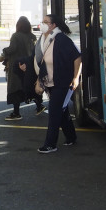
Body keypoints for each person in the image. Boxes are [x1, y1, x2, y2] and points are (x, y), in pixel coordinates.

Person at [20, 14, 81, 153]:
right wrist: (28, 67)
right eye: (42, 21)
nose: (42, 24)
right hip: (49, 81)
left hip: (62, 81)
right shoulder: (42, 39)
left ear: (53, 25)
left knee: (54, 111)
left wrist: (76, 78)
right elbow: (37, 59)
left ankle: (50, 144)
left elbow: (77, 58)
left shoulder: (61, 39)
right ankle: (71, 136)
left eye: (46, 22)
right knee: (61, 109)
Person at [0, 16, 42, 120]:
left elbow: (12, 49)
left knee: (15, 89)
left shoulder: (16, 36)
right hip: (29, 65)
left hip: (17, 66)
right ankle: (39, 106)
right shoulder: (32, 36)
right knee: (30, 86)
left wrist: (4, 52)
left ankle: (16, 113)